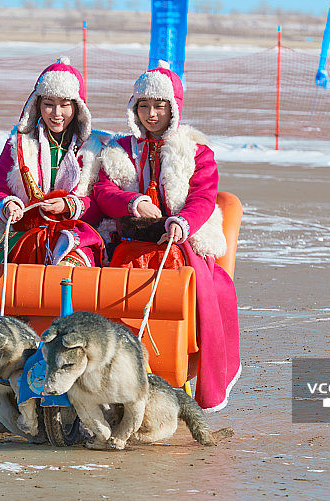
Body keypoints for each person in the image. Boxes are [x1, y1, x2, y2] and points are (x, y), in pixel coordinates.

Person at [92, 61, 241, 412]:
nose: (151, 114)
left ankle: (178, 366)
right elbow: (103, 190)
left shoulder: (197, 152)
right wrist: (133, 200)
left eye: (159, 106)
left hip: (180, 239)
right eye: (144, 105)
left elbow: (204, 198)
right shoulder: (118, 150)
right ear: (134, 108)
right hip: (128, 239)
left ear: (173, 108)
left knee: (207, 292)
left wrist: (182, 222)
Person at [0, 57, 108, 320]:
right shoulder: (18, 143)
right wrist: (8, 205)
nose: (56, 113)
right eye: (48, 104)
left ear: (77, 107)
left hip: (76, 236)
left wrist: (70, 206)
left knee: (70, 282)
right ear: (37, 106)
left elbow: (100, 201)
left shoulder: (95, 147)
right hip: (26, 233)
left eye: (64, 105)